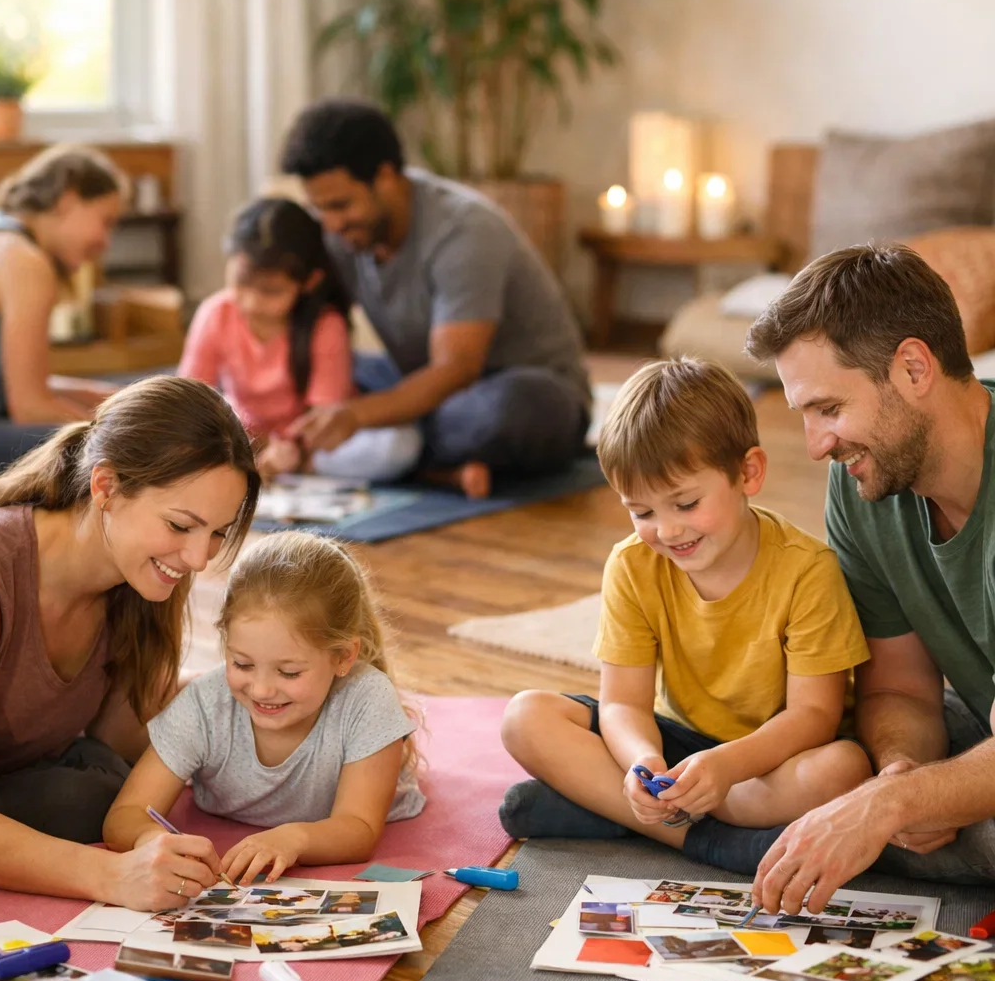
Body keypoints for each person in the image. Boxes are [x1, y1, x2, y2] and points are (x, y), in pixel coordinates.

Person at [498, 358, 872, 849]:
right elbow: (622, 704)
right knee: (525, 717)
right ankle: (705, 836)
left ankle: (625, 816)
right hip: (675, 747)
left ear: (748, 472)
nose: (668, 530)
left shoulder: (807, 570)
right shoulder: (632, 565)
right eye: (642, 511)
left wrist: (726, 767)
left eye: (687, 504)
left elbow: (813, 718)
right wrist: (641, 763)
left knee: (845, 769)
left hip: (767, 762)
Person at [726, 244, 995, 915]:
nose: (816, 444)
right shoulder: (861, 485)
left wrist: (891, 803)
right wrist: (903, 770)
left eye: (828, 409)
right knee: (841, 757)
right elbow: (900, 685)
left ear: (912, 368)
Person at [0, 375, 260, 907]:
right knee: (88, 797)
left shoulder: (141, 574)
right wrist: (109, 876)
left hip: (15, 778)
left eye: (217, 533)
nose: (199, 559)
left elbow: (125, 733)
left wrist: (314, 716)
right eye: (181, 525)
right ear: (105, 487)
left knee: (106, 788)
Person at [278, 99, 592, 498]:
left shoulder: (465, 230)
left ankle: (389, 452)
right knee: (317, 365)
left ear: (387, 176)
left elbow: (457, 369)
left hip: (516, 392)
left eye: (341, 205)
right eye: (319, 209)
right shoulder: (342, 234)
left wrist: (357, 415)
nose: (331, 224)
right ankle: (431, 465)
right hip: (419, 385)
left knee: (507, 411)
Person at [103, 529, 424, 883]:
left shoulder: (367, 698)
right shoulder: (206, 704)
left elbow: (359, 829)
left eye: (289, 672)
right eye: (242, 664)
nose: (261, 689)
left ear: (344, 657)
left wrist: (294, 838)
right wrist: (152, 839)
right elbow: (125, 816)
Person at [179, 196, 422, 482]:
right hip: (244, 436)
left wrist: (293, 452)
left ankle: (286, 468)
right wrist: (255, 445)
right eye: (242, 281)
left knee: (400, 445)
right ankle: (262, 466)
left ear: (309, 282)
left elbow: (324, 419)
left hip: (312, 444)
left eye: (271, 291)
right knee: (184, 433)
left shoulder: (325, 325)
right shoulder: (215, 313)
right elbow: (189, 399)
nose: (252, 302)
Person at [0, 143, 129, 479]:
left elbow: (11, 381)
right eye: (106, 221)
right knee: (105, 453)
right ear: (67, 201)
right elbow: (28, 406)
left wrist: (99, 397)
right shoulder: (25, 262)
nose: (106, 242)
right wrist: (128, 433)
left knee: (111, 409)